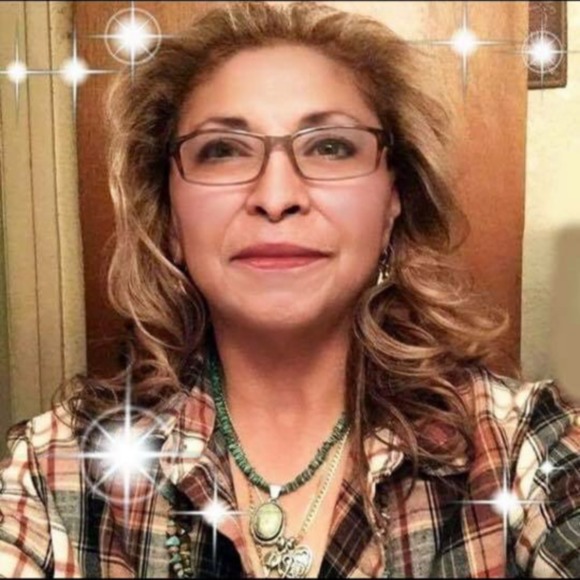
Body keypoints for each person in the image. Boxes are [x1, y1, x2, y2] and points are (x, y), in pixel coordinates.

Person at [1, 2, 578, 578]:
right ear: (171, 219)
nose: (276, 197)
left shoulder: (520, 449)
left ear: (392, 203)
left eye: (330, 146)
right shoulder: (53, 471)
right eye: (223, 150)